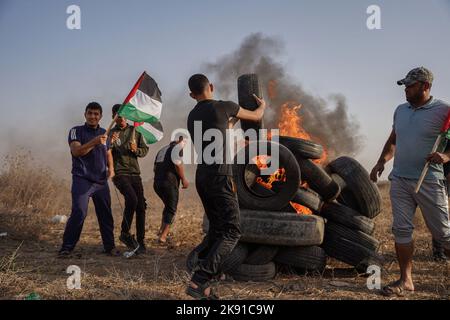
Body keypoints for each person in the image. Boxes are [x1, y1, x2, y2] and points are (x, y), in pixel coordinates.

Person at [370, 67, 450, 296]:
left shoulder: (444, 111)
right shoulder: (400, 110)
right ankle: (406, 281)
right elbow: (394, 140)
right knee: (401, 231)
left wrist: (445, 156)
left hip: (430, 180)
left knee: (444, 236)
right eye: (405, 85)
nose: (406, 89)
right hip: (400, 180)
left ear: (425, 86)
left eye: (410, 85)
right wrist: (380, 162)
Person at [186, 74, 266, 299]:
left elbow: (224, 128)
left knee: (216, 230)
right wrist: (262, 107)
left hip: (202, 177)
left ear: (192, 95)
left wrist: (232, 119)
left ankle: (205, 284)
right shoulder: (226, 106)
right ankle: (198, 281)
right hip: (221, 176)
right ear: (211, 86)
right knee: (232, 231)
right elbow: (256, 115)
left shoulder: (192, 116)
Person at [59, 102, 118, 257]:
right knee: (79, 212)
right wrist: (95, 142)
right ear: (85, 114)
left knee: (105, 214)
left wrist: (111, 169)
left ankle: (109, 247)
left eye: (96, 114)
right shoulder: (76, 131)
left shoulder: (106, 133)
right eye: (90, 113)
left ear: (101, 116)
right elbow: (77, 151)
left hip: (100, 181)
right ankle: (66, 248)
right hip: (82, 179)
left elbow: (108, 152)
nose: (93, 116)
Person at [110, 104, 149, 254]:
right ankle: (125, 233)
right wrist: (110, 143)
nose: (121, 118)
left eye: (123, 115)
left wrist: (136, 150)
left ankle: (140, 241)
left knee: (141, 207)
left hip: (135, 173)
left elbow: (144, 150)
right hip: (120, 173)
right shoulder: (110, 133)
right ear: (113, 117)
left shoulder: (135, 131)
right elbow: (104, 151)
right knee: (132, 199)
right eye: (117, 115)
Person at [153, 136, 189, 245]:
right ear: (180, 140)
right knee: (172, 209)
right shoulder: (177, 148)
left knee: (168, 207)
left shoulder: (162, 149)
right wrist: (183, 179)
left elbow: (154, 168)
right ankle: (163, 236)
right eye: (185, 142)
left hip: (157, 183)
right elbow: (178, 164)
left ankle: (161, 231)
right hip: (169, 183)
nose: (185, 145)